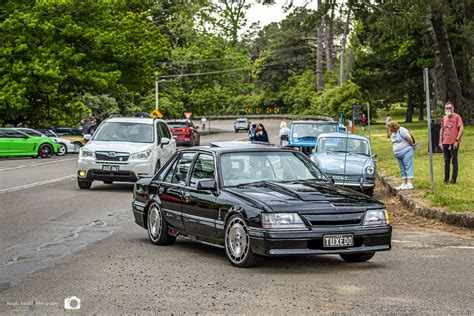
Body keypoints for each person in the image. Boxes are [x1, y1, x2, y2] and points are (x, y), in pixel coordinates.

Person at [439, 102, 464, 184]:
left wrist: (457, 140)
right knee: (446, 162)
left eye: (450, 108)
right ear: (445, 109)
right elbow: (442, 129)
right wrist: (440, 142)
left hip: (454, 143)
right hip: (445, 142)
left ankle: (453, 179)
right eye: (447, 108)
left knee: (454, 161)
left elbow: (461, 128)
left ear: (453, 108)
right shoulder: (444, 118)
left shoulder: (457, 117)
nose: (448, 109)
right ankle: (446, 179)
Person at [388, 121, 416, 190]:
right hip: (398, 154)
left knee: (408, 166)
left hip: (406, 151)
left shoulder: (401, 130)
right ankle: (404, 183)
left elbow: (409, 138)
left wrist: (412, 145)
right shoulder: (393, 133)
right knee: (402, 169)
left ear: (393, 126)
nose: (389, 129)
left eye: (390, 127)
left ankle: (409, 183)